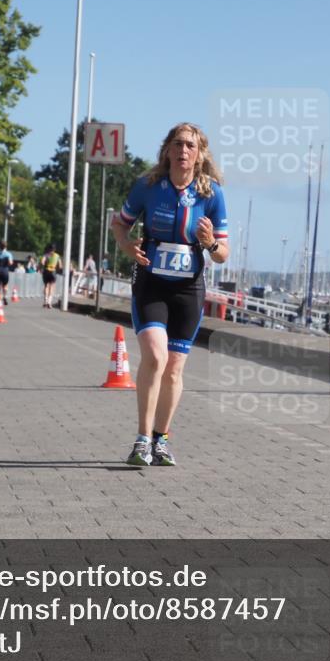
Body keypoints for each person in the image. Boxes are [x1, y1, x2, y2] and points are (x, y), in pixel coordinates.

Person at [110, 122, 229, 467]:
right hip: (152, 283)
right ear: (167, 150)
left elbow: (223, 254)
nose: (183, 151)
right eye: (177, 144)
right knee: (154, 357)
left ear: (199, 154)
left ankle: (160, 439)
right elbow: (120, 223)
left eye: (190, 145)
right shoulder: (148, 186)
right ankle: (141, 440)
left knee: (174, 369)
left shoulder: (212, 194)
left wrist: (210, 243)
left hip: (188, 289)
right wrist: (126, 245)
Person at [39, 243, 61, 308]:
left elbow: (42, 262)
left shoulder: (46, 255)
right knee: (52, 286)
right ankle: (49, 302)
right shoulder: (57, 256)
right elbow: (60, 266)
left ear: (49, 249)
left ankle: (45, 301)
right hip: (53, 271)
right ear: (55, 249)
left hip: (46, 271)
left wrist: (42, 267)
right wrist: (57, 269)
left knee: (46, 286)